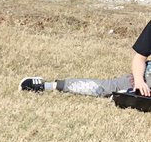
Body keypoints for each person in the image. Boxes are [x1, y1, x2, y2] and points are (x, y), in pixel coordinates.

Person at [20, 20, 151, 97]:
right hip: (146, 79)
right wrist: (139, 81)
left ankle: (127, 96)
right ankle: (46, 86)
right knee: (105, 88)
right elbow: (139, 58)